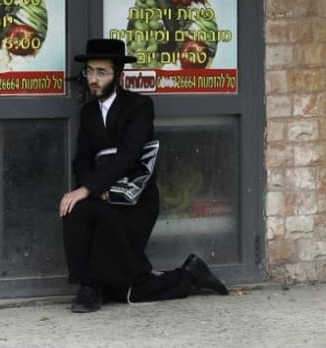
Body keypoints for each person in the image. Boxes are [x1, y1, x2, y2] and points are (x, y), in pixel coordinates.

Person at [60, 38, 229, 313]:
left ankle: (186, 277)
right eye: (90, 71)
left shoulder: (139, 106)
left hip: (135, 201)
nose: (93, 79)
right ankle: (88, 286)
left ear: (119, 75)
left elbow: (129, 156)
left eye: (101, 72)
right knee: (74, 211)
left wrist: (92, 187)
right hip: (101, 195)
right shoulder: (88, 112)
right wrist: (90, 188)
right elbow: (82, 159)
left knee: (122, 281)